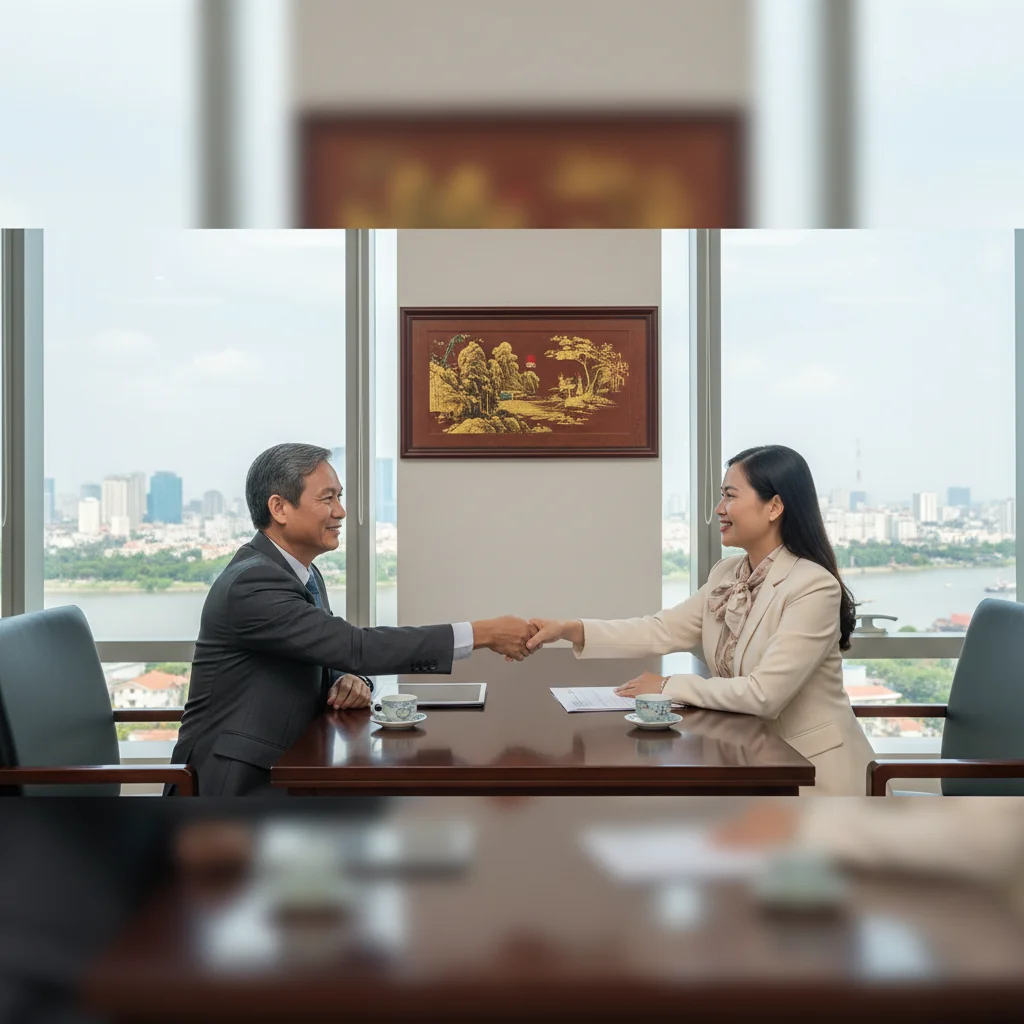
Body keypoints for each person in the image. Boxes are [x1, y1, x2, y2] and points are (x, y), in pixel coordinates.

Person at [168, 443, 535, 796]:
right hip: (235, 785)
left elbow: (331, 650)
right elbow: (355, 646)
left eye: (339, 498)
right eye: (327, 499)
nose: (341, 512)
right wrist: (482, 633)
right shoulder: (253, 583)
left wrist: (350, 677)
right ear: (279, 507)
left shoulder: (303, 575)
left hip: (290, 765)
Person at [526, 445, 875, 795]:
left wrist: (667, 686)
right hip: (753, 764)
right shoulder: (726, 574)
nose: (719, 509)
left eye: (730, 496)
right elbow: (661, 630)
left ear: (774, 506)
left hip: (817, 778)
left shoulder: (813, 586)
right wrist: (571, 629)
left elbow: (764, 694)